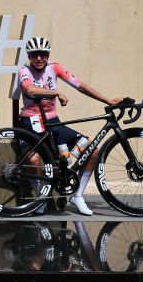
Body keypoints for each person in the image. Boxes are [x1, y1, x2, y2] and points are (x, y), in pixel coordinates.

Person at [17, 36, 123, 216]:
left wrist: (108, 100)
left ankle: (78, 196)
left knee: (92, 152)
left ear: (48, 54)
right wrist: (56, 92)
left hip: (53, 121)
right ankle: (41, 198)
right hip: (31, 121)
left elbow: (80, 85)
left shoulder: (54, 67)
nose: (39, 58)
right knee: (34, 160)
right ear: (29, 56)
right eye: (35, 54)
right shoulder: (24, 70)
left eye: (43, 54)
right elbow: (29, 89)